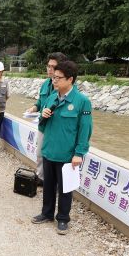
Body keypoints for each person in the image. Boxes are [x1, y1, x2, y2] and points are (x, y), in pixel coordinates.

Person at [31, 60, 92, 235]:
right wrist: (42, 116)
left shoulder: (82, 102)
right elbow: (41, 125)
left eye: (58, 78)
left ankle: (63, 219)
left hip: (67, 154)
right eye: (53, 77)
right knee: (48, 185)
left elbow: (85, 130)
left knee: (65, 189)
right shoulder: (51, 97)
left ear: (70, 79)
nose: (54, 80)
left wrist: (79, 153)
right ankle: (46, 213)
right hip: (49, 150)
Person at [25, 52, 68, 184]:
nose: (49, 69)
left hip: (56, 129)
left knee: (53, 157)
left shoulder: (65, 88)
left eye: (53, 67)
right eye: (48, 66)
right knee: (40, 154)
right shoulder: (45, 84)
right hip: (43, 125)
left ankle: (52, 182)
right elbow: (40, 102)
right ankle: (41, 177)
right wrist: (33, 108)